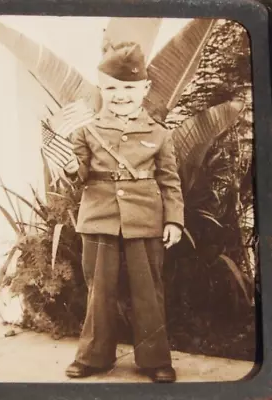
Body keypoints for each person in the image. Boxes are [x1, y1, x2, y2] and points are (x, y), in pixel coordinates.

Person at [62, 41, 184, 383]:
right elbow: (80, 173)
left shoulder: (159, 134)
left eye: (129, 88)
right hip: (100, 218)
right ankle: (93, 357)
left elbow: (170, 180)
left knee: (148, 292)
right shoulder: (86, 130)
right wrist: (72, 166)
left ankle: (155, 359)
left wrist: (173, 219)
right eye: (111, 88)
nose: (120, 96)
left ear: (144, 89)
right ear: (101, 88)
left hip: (145, 220)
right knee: (99, 291)